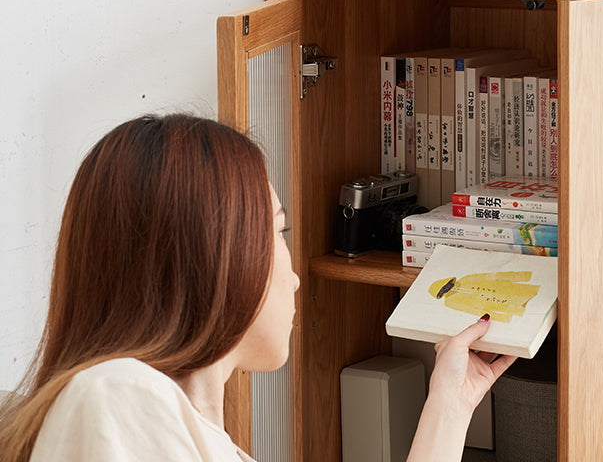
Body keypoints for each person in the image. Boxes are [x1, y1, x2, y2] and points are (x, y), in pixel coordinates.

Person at [0, 114, 515, 461]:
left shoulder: (198, 438)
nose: (293, 278)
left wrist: (451, 404)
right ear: (216, 255)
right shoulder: (116, 397)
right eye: (277, 230)